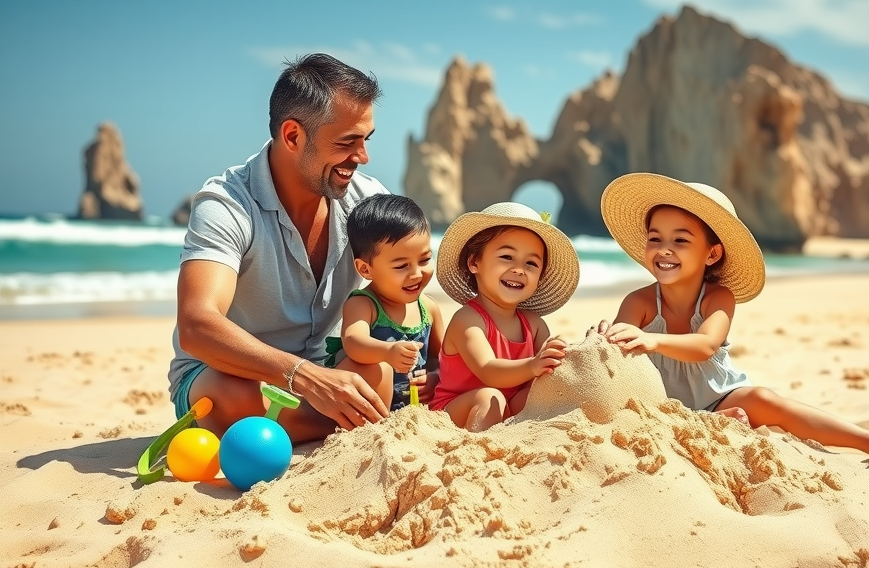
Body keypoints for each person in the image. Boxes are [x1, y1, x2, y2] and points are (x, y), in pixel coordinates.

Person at [596, 173, 869, 453]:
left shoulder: (718, 297)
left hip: (717, 396)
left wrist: (650, 340)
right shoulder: (639, 301)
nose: (664, 249)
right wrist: (606, 338)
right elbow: (619, 351)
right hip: (660, 404)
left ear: (712, 254)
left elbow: (705, 345)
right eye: (655, 239)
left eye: (681, 241)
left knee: (764, 399)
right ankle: (710, 422)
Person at [168, 53, 394, 443]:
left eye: (365, 140)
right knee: (231, 397)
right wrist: (304, 378)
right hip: (234, 376)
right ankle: (346, 422)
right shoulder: (226, 204)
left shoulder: (368, 200)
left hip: (328, 370)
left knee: (378, 373)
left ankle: (289, 428)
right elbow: (196, 325)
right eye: (347, 141)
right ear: (292, 136)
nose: (362, 156)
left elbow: (403, 286)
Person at [427, 202, 580, 431]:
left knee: (541, 393)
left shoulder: (535, 325)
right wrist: (533, 365)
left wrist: (557, 356)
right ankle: (478, 452)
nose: (519, 269)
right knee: (491, 397)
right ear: (474, 262)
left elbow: (548, 374)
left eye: (531, 263)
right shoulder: (468, 319)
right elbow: (489, 371)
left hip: (509, 408)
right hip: (457, 411)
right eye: (507, 257)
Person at [325, 194, 445, 411]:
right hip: (361, 399)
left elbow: (440, 357)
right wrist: (387, 351)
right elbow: (354, 342)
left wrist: (435, 376)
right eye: (401, 266)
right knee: (380, 367)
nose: (417, 273)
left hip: (407, 408)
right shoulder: (364, 304)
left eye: (425, 260)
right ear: (365, 269)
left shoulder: (428, 308)